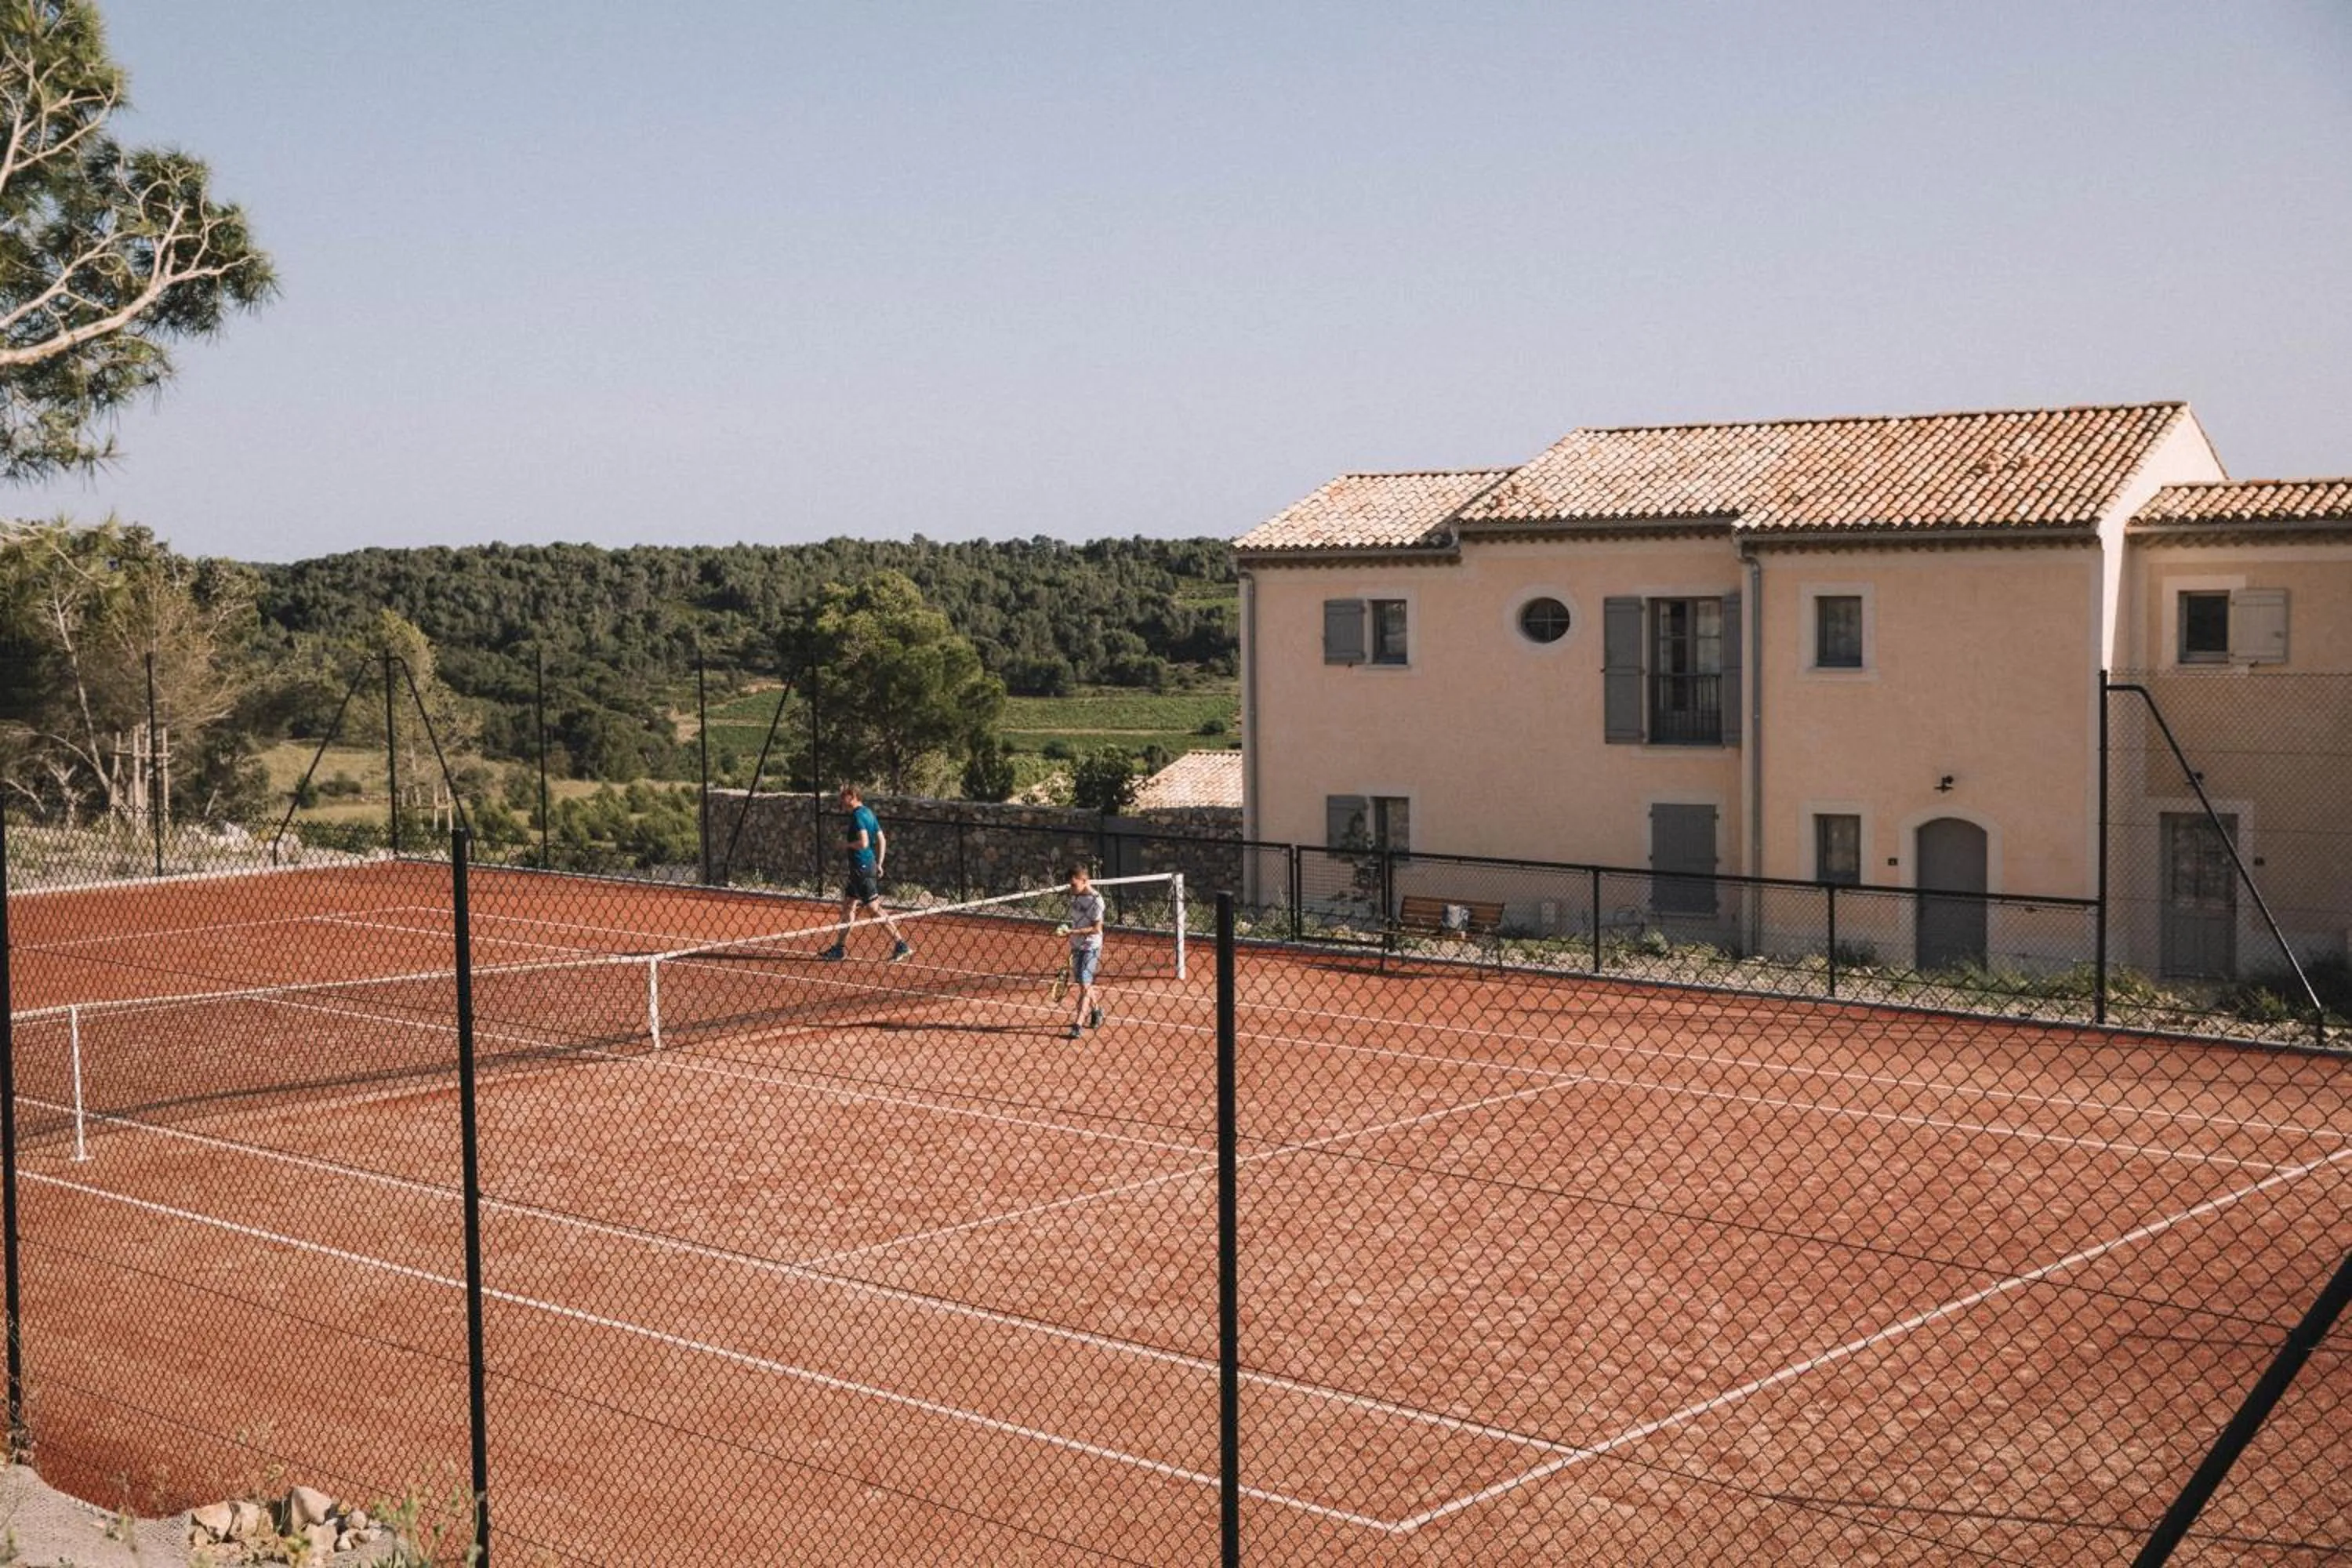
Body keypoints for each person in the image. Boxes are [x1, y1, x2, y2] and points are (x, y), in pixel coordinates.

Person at [820, 786, 911, 962]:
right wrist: (879, 863)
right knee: (848, 906)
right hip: (862, 867)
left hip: (861, 867)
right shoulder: (869, 812)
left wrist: (844, 845)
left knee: (873, 909)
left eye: (843, 797)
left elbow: (864, 843)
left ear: (853, 796)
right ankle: (839, 948)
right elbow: (882, 839)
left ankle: (901, 944)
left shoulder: (857, 815)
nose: (841, 801)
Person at [1056, 864, 1105, 1039]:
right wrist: (1070, 933)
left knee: (1084, 985)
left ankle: (1077, 1024)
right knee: (1085, 983)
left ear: (1084, 881)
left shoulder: (1096, 900)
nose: (1071, 889)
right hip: (1076, 945)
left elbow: (1096, 928)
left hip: (1091, 945)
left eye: (1073, 885)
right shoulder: (1075, 897)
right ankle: (1097, 1010)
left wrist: (1072, 932)